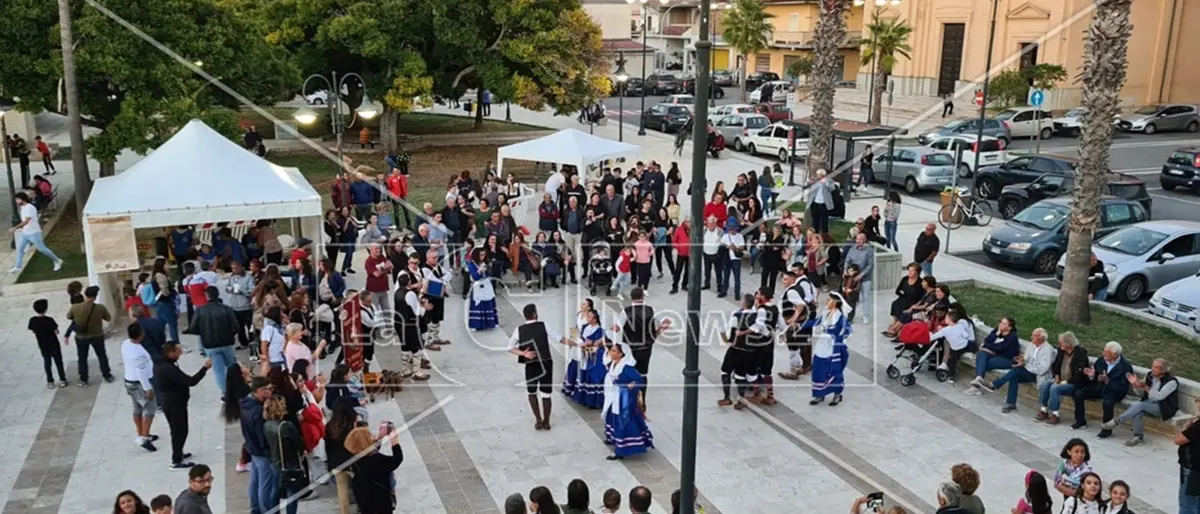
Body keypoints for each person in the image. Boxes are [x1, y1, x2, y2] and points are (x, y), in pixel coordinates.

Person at [509, 303, 567, 430]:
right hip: (545, 362)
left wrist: (524, 353)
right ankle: (546, 421)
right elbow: (560, 338)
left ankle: (538, 419)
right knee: (546, 394)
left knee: (531, 392)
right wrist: (576, 344)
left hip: (530, 365)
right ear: (535, 314)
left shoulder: (519, 329)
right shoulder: (543, 325)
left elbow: (510, 347)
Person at [155, 342, 211, 468]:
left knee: (178, 429)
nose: (180, 353)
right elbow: (190, 381)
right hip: (174, 403)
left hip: (173, 401)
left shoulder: (163, 364)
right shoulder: (168, 368)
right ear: (170, 352)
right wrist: (204, 368)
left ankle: (179, 452)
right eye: (178, 351)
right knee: (179, 431)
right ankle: (176, 460)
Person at [976, 327, 1056, 413]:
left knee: (1016, 371)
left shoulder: (1048, 350)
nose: (1031, 337)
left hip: (1039, 376)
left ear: (1040, 338)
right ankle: (1010, 403)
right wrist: (1021, 360)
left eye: (1033, 336)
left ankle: (994, 385)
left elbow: (1042, 370)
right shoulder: (1031, 345)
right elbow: (1026, 358)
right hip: (1029, 370)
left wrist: (1025, 365)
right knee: (1014, 375)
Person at [1102, 357, 1179, 446]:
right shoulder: (1149, 375)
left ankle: (1117, 421)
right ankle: (1138, 437)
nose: (1152, 369)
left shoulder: (1171, 382)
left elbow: (1159, 397)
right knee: (1137, 411)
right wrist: (1136, 385)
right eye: (1152, 366)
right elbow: (1140, 393)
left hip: (1164, 407)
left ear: (1163, 370)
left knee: (1140, 406)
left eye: (1156, 367)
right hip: (1148, 403)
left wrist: (1145, 387)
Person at [185, 286, 238, 398]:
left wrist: (203, 333)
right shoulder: (226, 309)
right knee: (231, 367)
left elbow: (193, 328)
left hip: (210, 344)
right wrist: (230, 334)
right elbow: (235, 326)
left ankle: (225, 392)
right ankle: (235, 388)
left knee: (218, 371)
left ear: (206, 296)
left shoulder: (200, 310)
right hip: (227, 342)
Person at [603, 342, 653, 460]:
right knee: (613, 417)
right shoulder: (613, 363)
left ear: (621, 354)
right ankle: (613, 438)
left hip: (624, 399)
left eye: (614, 351)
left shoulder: (626, 367)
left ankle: (620, 450)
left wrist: (632, 384)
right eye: (611, 350)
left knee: (623, 421)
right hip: (614, 396)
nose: (611, 353)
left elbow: (639, 379)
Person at [1072, 341, 1132, 435]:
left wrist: (1108, 381)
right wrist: (1091, 376)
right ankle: (1080, 421)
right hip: (1099, 387)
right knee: (1078, 393)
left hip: (1114, 391)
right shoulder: (1101, 360)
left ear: (1115, 355)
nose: (1103, 354)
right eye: (1104, 351)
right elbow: (1094, 375)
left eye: (1107, 352)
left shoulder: (1125, 367)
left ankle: (1107, 429)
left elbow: (1123, 387)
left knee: (1107, 402)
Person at [345, 425, 404, 514]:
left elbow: (367, 449)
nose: (373, 437)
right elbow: (397, 459)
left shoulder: (353, 457)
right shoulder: (378, 460)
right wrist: (394, 441)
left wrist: (380, 437)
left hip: (362, 495)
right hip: (380, 498)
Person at [241, 376, 278, 513]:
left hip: (251, 448)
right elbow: (262, 435)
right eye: (268, 389)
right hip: (261, 452)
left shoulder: (245, 402)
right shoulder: (257, 412)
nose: (271, 392)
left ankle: (255, 508)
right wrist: (268, 451)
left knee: (255, 481)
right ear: (259, 390)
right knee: (266, 484)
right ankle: (267, 510)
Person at [719, 294, 763, 410]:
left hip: (736, 350)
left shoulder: (736, 316)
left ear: (744, 303)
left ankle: (727, 397)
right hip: (749, 351)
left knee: (725, 371)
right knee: (740, 375)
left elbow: (725, 330)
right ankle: (741, 398)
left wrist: (727, 341)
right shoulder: (757, 317)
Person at [1036, 332, 1089, 425]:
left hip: (1073, 383)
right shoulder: (1061, 351)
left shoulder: (1080, 354)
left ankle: (1055, 414)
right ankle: (1043, 410)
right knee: (1046, 384)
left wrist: (1066, 381)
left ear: (1068, 344)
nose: (1059, 344)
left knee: (1055, 388)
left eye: (1061, 343)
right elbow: (1056, 365)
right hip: (1061, 378)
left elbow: (1079, 374)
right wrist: (1056, 375)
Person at [263, 395, 305, 514]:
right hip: (288, 462)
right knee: (291, 492)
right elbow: (298, 442)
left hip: (275, 461)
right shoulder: (286, 426)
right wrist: (302, 452)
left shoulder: (267, 425)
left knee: (275, 490)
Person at [121, 323, 159, 452]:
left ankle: (141, 433)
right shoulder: (139, 353)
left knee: (137, 408)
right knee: (150, 408)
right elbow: (141, 371)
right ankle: (144, 437)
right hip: (139, 383)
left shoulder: (126, 344)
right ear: (141, 334)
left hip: (129, 380)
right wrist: (148, 388)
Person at [810, 293, 852, 406]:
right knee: (818, 369)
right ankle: (819, 394)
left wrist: (835, 337)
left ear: (835, 302)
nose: (826, 302)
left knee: (834, 371)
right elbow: (815, 323)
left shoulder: (840, 317)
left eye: (828, 300)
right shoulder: (825, 313)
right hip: (821, 346)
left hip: (833, 348)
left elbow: (847, 331)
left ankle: (837, 394)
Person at [778, 268, 819, 380]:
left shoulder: (791, 291)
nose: (783, 281)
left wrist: (793, 319)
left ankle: (794, 370)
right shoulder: (799, 288)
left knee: (793, 346)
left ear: (792, 279)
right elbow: (812, 294)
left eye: (786, 279)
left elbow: (800, 305)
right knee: (803, 344)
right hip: (802, 322)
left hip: (795, 324)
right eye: (783, 279)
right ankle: (805, 366)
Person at [8, 192, 64, 273]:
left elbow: (26, 221)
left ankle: (57, 260)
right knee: (20, 249)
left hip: (34, 233)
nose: (16, 201)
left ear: (22, 199)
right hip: (25, 233)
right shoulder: (23, 208)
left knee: (42, 249)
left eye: (17, 199)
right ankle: (18, 267)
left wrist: (15, 228)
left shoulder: (30, 208)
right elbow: (24, 221)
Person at [29, 299, 68, 388]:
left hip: (43, 345)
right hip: (54, 344)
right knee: (58, 362)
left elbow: (33, 331)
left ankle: (50, 381)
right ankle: (62, 379)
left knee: (47, 363)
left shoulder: (33, 320)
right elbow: (56, 331)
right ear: (45, 309)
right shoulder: (49, 320)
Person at [1175, 396, 1200, 514]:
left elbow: (1178, 440)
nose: (1196, 402)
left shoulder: (1198, 426)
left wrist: (1185, 427)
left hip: (1192, 469)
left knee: (1188, 505)